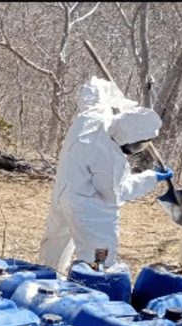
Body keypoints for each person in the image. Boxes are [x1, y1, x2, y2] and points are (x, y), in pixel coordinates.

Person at [38, 77, 173, 273]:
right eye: (139, 144)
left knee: (54, 248)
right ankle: (86, 293)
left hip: (63, 193)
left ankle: (46, 280)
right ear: (129, 139)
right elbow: (115, 194)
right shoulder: (109, 158)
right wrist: (151, 178)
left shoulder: (93, 117)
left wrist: (118, 101)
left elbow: (93, 89)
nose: (138, 148)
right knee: (97, 261)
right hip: (86, 207)